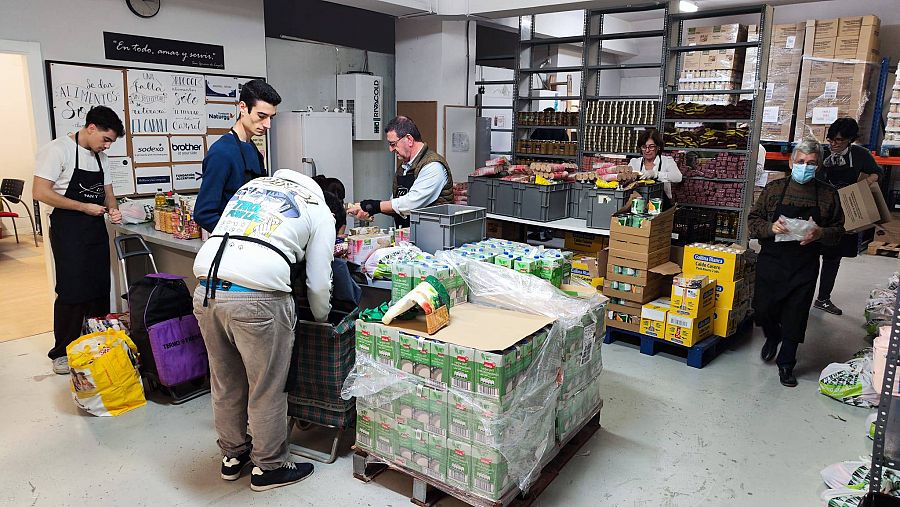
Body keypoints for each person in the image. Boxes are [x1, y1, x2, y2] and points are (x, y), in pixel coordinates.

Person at [192, 169, 336, 491]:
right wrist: (322, 318)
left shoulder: (251, 188)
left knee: (225, 380)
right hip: (258, 298)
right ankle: (270, 466)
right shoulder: (317, 207)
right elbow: (317, 282)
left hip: (206, 290)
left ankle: (233, 455)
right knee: (267, 386)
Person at [32, 106, 125, 374]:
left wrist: (114, 209)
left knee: (98, 287)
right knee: (72, 290)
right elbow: (40, 192)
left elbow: (108, 193)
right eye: (105, 139)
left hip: (95, 227)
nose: (106, 146)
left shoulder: (100, 157)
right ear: (91, 127)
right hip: (68, 227)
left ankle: (96, 343)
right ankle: (61, 352)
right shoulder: (57, 150)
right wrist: (83, 207)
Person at [748, 139, 844, 387]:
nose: (805, 167)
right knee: (763, 308)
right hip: (771, 259)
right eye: (800, 162)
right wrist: (770, 227)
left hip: (804, 263)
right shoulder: (774, 190)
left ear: (819, 165)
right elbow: (753, 221)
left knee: (796, 314)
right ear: (791, 163)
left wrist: (820, 234)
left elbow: (839, 231)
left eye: (811, 163)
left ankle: (786, 364)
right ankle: (772, 334)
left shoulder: (827, 194)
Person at [813, 118, 883, 316]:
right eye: (831, 140)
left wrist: (866, 182)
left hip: (843, 215)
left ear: (850, 140)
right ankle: (800, 295)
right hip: (819, 211)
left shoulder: (860, 155)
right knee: (807, 255)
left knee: (832, 257)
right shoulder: (821, 153)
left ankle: (823, 298)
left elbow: (877, 172)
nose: (833, 144)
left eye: (839, 140)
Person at [194, 79, 281, 233]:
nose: (268, 125)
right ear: (243, 107)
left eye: (271, 117)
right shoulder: (221, 153)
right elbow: (203, 214)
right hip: (233, 246)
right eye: (261, 116)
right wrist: (240, 235)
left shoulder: (252, 148)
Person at [347, 116, 454, 227]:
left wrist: (373, 205)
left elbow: (411, 204)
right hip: (410, 236)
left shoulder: (433, 166)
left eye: (393, 144)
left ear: (409, 140)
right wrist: (369, 210)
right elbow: (396, 205)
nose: (391, 149)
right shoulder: (404, 167)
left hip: (434, 236)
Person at [628, 129, 682, 204]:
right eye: (644, 147)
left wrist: (656, 174)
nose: (647, 150)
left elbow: (678, 177)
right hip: (638, 205)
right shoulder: (634, 162)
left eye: (651, 147)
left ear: (658, 147)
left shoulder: (666, 161)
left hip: (661, 205)